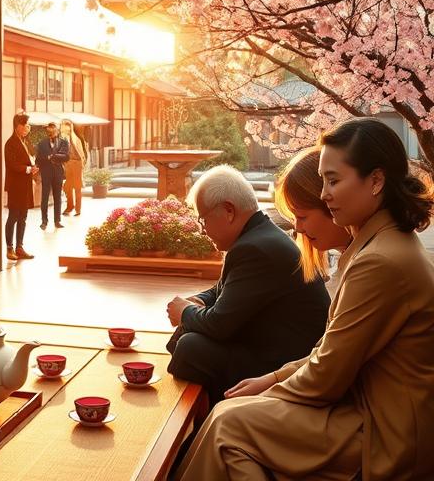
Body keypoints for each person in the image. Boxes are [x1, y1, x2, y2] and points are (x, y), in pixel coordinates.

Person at [177, 118, 434, 480]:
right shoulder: (382, 245)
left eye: (334, 180)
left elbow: (326, 376)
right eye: (324, 180)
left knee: (227, 425)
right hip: (366, 408)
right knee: (228, 422)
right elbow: (331, 352)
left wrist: (267, 391)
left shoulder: (380, 260)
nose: (325, 194)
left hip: (383, 429)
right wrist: (272, 379)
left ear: (376, 181)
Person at [165, 165, 330, 405]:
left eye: (203, 219)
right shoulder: (261, 235)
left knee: (192, 346)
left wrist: (185, 312)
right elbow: (223, 288)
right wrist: (200, 301)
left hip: (284, 365)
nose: (203, 230)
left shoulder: (254, 248)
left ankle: (194, 415)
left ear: (228, 211)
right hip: (276, 346)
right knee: (192, 334)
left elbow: (219, 325)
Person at [275, 146, 352, 293]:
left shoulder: (370, 263)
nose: (297, 228)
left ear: (330, 204)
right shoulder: (351, 259)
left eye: (302, 216)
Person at [3, 112, 37, 260]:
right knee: (13, 216)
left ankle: (19, 247)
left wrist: (33, 167)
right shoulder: (11, 143)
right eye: (25, 125)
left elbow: (30, 159)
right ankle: (9, 248)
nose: (27, 128)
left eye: (28, 126)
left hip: (26, 184)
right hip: (16, 185)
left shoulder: (26, 142)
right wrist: (28, 169)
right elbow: (12, 164)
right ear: (17, 126)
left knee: (23, 216)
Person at [35, 122, 69, 230]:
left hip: (58, 173)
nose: (51, 133)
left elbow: (66, 156)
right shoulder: (41, 143)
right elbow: (38, 160)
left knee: (58, 197)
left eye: (53, 130)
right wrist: (48, 158)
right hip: (46, 173)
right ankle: (44, 221)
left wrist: (51, 156)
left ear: (57, 131)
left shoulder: (63, 142)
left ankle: (57, 221)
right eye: (49, 131)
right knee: (44, 198)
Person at [60, 119, 87, 216]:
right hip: (68, 164)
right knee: (67, 187)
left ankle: (78, 209)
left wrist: (82, 164)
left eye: (67, 126)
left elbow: (82, 154)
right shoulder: (63, 138)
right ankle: (70, 206)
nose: (65, 129)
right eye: (64, 126)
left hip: (77, 163)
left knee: (77, 187)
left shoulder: (76, 138)